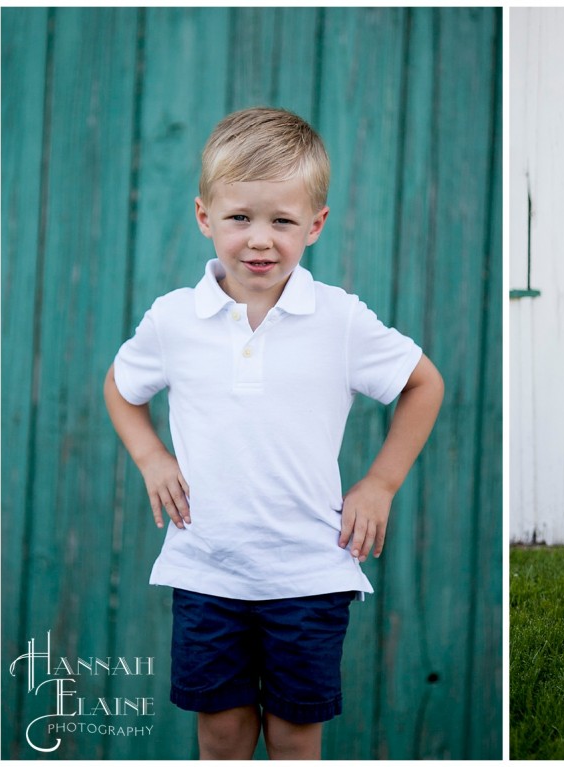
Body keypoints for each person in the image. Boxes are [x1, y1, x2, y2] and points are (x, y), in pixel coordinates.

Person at [103, 107, 444, 758]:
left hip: (309, 575)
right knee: (223, 734)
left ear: (314, 225)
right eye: (240, 218)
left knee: (293, 737)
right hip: (208, 571)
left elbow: (424, 383)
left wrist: (381, 482)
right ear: (205, 216)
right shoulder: (175, 319)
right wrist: (150, 456)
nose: (260, 239)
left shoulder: (338, 319)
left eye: (281, 221)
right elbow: (120, 386)